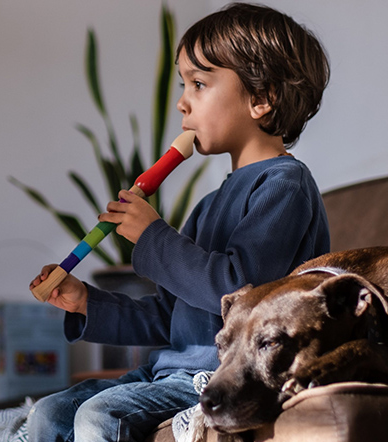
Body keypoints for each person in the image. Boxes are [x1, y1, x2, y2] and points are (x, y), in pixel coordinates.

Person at [27, 3, 331, 441]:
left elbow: (240, 291)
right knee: (49, 414)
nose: (181, 101)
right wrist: (86, 303)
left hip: (224, 375)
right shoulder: (209, 205)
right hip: (167, 372)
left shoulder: (284, 185)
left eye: (199, 83)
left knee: (99, 417)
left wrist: (153, 237)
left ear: (261, 98)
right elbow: (170, 317)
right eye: (184, 84)